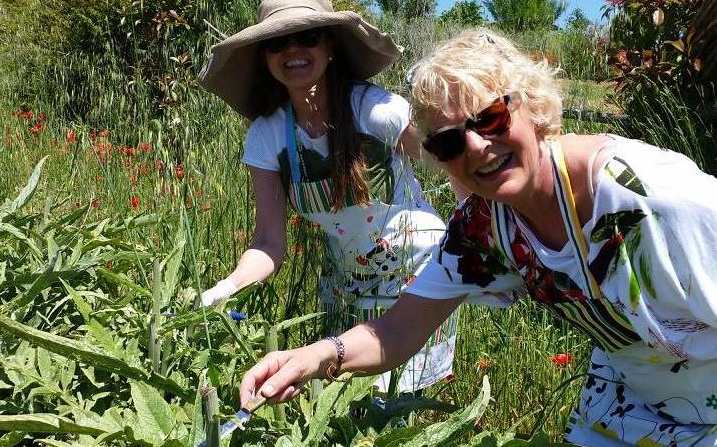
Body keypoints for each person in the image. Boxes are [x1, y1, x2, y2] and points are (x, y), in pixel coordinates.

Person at [239, 28, 717, 446]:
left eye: (489, 118)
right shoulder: (484, 224)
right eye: (448, 141)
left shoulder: (650, 201)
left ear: (531, 106)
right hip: (629, 399)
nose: (475, 146)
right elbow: (396, 331)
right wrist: (313, 358)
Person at [198, 0, 459, 394]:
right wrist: (227, 287)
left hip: (417, 275)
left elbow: (451, 162)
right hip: (343, 283)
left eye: (308, 36)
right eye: (278, 42)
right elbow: (268, 242)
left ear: (330, 46)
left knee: (400, 410)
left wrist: (473, 235)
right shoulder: (268, 136)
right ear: (264, 57)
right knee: (341, 405)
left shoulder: (376, 111)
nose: (293, 50)